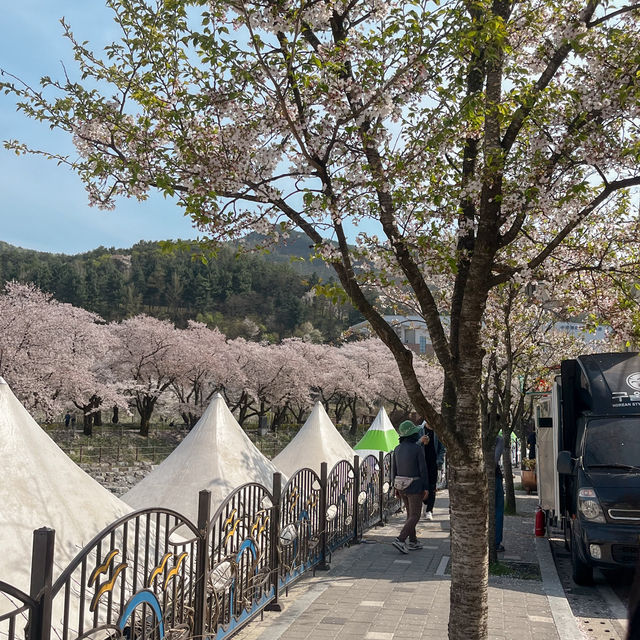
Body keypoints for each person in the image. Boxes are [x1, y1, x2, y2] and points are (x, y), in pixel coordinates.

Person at [391, 420, 429, 553]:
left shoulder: (397, 449)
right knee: (415, 515)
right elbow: (423, 469)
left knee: (410, 514)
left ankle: (413, 541)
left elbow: (394, 470)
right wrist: (426, 487)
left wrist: (395, 487)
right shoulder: (417, 448)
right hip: (414, 485)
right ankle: (400, 539)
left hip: (400, 485)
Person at [419, 421, 445, 520]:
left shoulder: (438, 432)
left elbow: (442, 449)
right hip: (421, 464)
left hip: (433, 464)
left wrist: (439, 461)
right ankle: (424, 505)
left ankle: (429, 510)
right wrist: (421, 441)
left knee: (432, 487)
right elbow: (415, 445)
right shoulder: (419, 430)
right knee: (422, 487)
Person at [495, 433, 505, 552]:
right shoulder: (498, 439)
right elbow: (494, 460)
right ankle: (496, 542)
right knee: (497, 509)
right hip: (494, 477)